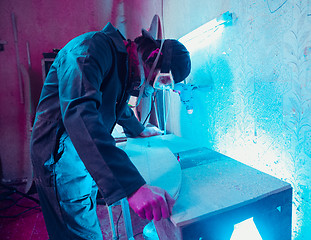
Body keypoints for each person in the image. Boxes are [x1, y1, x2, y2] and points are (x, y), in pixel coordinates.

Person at [30, 22, 191, 240]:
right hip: (60, 156)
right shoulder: (90, 50)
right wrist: (134, 187)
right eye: (160, 81)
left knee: (84, 211)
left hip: (77, 150)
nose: (152, 88)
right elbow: (80, 115)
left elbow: (118, 106)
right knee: (78, 232)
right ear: (152, 56)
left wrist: (138, 129)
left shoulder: (121, 63)